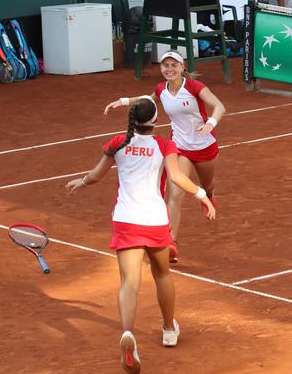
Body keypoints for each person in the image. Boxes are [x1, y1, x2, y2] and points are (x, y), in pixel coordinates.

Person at [66, 97, 215, 374]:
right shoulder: (164, 145)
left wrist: (82, 181)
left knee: (128, 284)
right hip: (155, 221)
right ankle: (169, 329)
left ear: (132, 120)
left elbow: (97, 176)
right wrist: (203, 195)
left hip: (126, 221)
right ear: (155, 122)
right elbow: (176, 178)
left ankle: (127, 333)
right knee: (162, 275)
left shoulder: (117, 143)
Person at [104, 50, 226, 264]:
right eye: (165, 66)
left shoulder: (194, 87)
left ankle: (208, 195)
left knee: (207, 186)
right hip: (179, 146)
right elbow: (145, 101)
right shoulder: (161, 89)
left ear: (182, 67)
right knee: (175, 193)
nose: (169, 69)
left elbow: (219, 106)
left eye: (173, 65)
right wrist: (122, 101)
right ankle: (171, 243)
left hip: (205, 145)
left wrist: (211, 123)